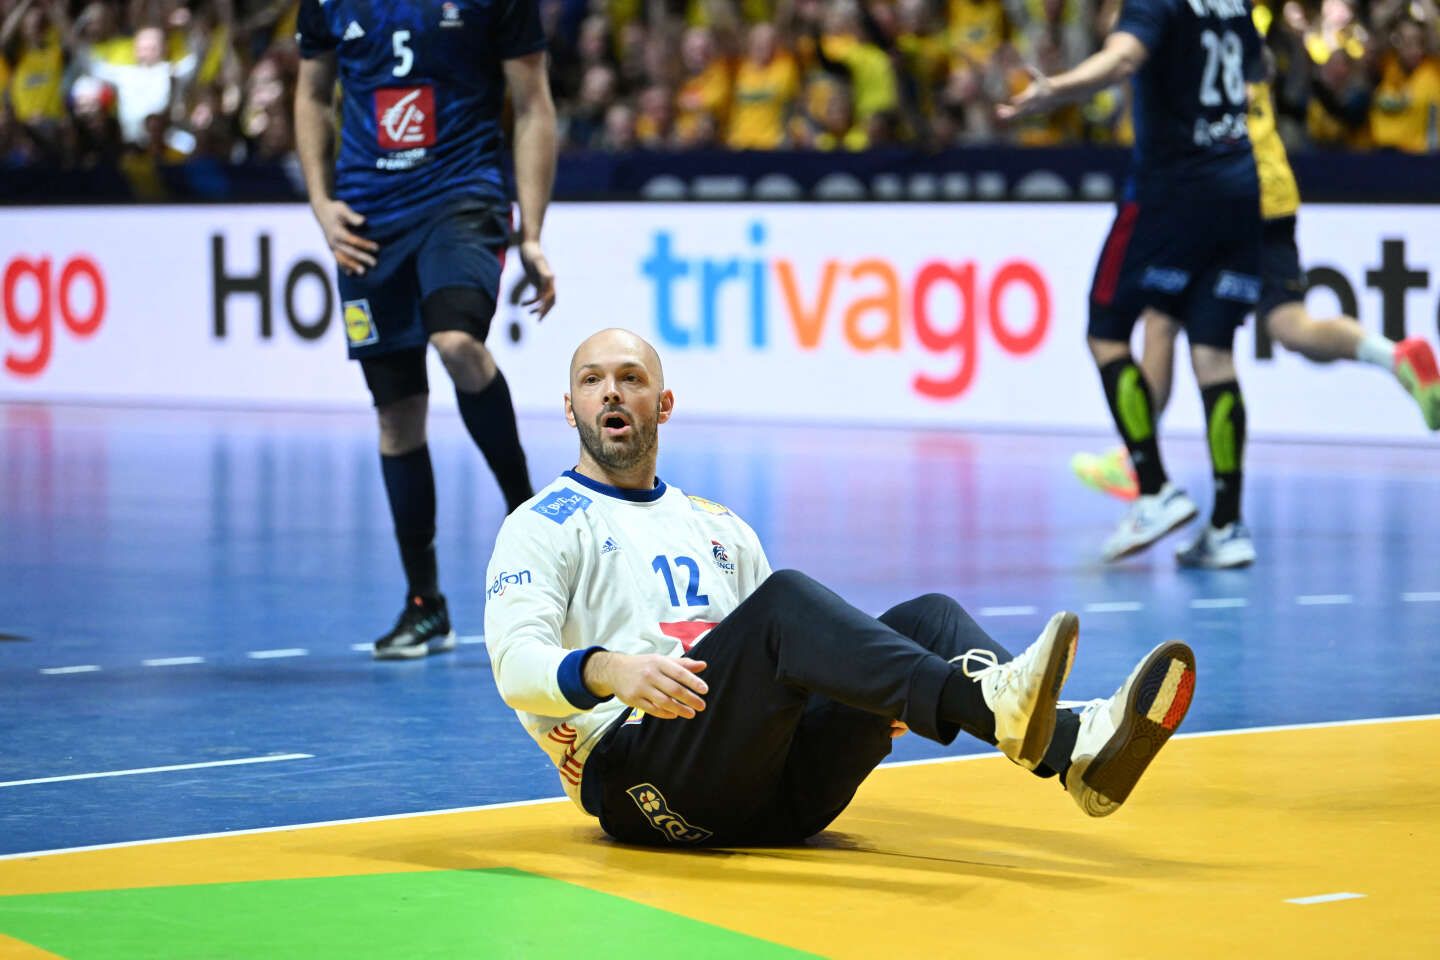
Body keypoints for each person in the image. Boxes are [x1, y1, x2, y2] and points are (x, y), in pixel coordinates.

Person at [482, 329, 1197, 847]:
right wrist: (610, 669)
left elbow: (782, 669)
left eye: (632, 377)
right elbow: (516, 669)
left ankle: (1075, 754)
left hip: (781, 796)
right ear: (570, 406)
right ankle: (1012, 716)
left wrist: (870, 691)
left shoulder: (718, 526)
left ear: (663, 405)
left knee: (930, 619)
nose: (612, 390)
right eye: (592, 379)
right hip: (650, 785)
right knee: (787, 604)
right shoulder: (543, 524)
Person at [294, 0, 558, 658]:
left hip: (461, 195)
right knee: (397, 416)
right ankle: (425, 604)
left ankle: (533, 526)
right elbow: (310, 92)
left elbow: (533, 105)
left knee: (458, 343)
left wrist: (532, 233)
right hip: (367, 218)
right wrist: (321, 204)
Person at [1071, 56, 1440, 510]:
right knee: (1290, 325)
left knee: (1161, 321)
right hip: (1273, 191)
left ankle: (1137, 462)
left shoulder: (1190, 33)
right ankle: (1396, 356)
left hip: (1225, 192)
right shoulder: (1240, 30)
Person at [1000, 0, 1267, 569]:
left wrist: (1059, 89)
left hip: (1170, 195)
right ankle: (1228, 524)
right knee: (1215, 354)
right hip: (1241, 188)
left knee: (1106, 329)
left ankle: (1153, 486)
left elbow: (1122, 59)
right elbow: (1256, 70)